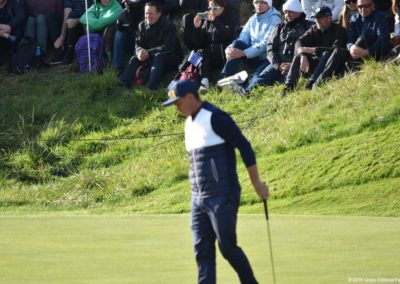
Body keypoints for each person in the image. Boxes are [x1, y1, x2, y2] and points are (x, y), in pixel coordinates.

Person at [162, 79, 269, 284]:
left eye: (178, 103)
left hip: (223, 195)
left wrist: (257, 184)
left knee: (227, 248)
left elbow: (244, 147)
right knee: (202, 251)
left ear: (191, 97)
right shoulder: (188, 124)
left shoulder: (216, 117)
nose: (177, 108)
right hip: (198, 198)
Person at [242, 0, 313, 93]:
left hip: (298, 66)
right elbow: (270, 48)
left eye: (291, 11)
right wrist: (278, 65)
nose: (287, 14)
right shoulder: (279, 27)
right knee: (261, 78)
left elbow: (313, 50)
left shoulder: (309, 27)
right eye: (286, 12)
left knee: (278, 85)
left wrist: (294, 66)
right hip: (279, 64)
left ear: (299, 12)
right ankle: (246, 94)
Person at [281, 6, 347, 95]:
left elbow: (335, 50)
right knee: (298, 54)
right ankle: (289, 86)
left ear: (329, 18)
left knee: (326, 53)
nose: (317, 20)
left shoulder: (339, 30)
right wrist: (303, 55)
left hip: (331, 67)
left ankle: (311, 83)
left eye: (320, 18)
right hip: (317, 64)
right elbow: (299, 42)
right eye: (316, 18)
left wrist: (313, 50)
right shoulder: (314, 28)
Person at [118, 1, 183, 89]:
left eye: (151, 14)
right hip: (150, 56)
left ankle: (151, 87)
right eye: (146, 13)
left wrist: (148, 53)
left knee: (159, 56)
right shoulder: (142, 25)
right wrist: (139, 52)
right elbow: (138, 44)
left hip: (170, 57)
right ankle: (122, 82)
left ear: (159, 14)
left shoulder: (168, 25)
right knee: (135, 58)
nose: (148, 16)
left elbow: (169, 47)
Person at [181, 0, 237, 90]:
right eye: (210, 8)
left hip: (223, 53)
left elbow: (227, 35)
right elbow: (200, 43)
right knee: (195, 54)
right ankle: (180, 78)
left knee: (201, 53)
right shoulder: (208, 20)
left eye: (215, 8)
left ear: (222, 8)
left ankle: (204, 81)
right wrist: (197, 27)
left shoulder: (230, 17)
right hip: (208, 54)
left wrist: (215, 21)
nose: (212, 11)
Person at [221, 0, 281, 77]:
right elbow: (243, 38)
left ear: (269, 4)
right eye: (256, 2)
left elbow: (266, 44)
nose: (259, 5)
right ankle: (225, 76)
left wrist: (245, 53)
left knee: (257, 76)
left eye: (263, 2)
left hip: (267, 58)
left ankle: (246, 79)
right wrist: (229, 49)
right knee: (237, 44)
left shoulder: (276, 19)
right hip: (251, 55)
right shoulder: (253, 19)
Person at [347, 0, 392, 65]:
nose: (363, 9)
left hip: (377, 53)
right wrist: (351, 47)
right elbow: (350, 39)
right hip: (358, 52)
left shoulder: (380, 17)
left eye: (366, 6)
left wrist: (367, 52)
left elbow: (383, 40)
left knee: (362, 39)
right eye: (360, 6)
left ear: (373, 5)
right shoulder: (354, 18)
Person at [59, 0, 94, 65]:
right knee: (72, 14)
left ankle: (70, 51)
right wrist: (62, 36)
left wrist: (77, 20)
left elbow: (94, 14)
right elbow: (66, 16)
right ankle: (70, 48)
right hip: (75, 27)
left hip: (89, 24)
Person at [0, 0, 26, 65]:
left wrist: (10, 26)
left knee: (16, 34)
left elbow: (21, 15)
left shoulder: (14, 2)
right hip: (1, 33)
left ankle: (14, 58)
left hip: (12, 33)